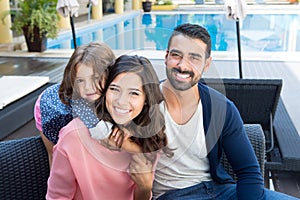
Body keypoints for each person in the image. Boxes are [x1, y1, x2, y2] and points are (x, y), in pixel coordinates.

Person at [152, 23, 299, 200]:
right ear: (166, 57)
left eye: (194, 58)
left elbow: (248, 171)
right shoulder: (144, 103)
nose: (183, 65)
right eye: (176, 55)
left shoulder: (221, 108)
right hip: (173, 195)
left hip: (219, 191)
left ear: (207, 64)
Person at [46, 55, 173, 200]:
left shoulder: (149, 139)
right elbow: (57, 197)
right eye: (114, 89)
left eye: (134, 93)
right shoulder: (74, 135)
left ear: (146, 99)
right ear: (105, 91)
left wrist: (144, 187)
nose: (121, 101)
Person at [34, 42, 115, 167]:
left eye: (95, 78)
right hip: (50, 107)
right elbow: (104, 136)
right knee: (57, 154)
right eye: (80, 80)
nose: (88, 87)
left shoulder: (115, 93)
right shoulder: (63, 111)